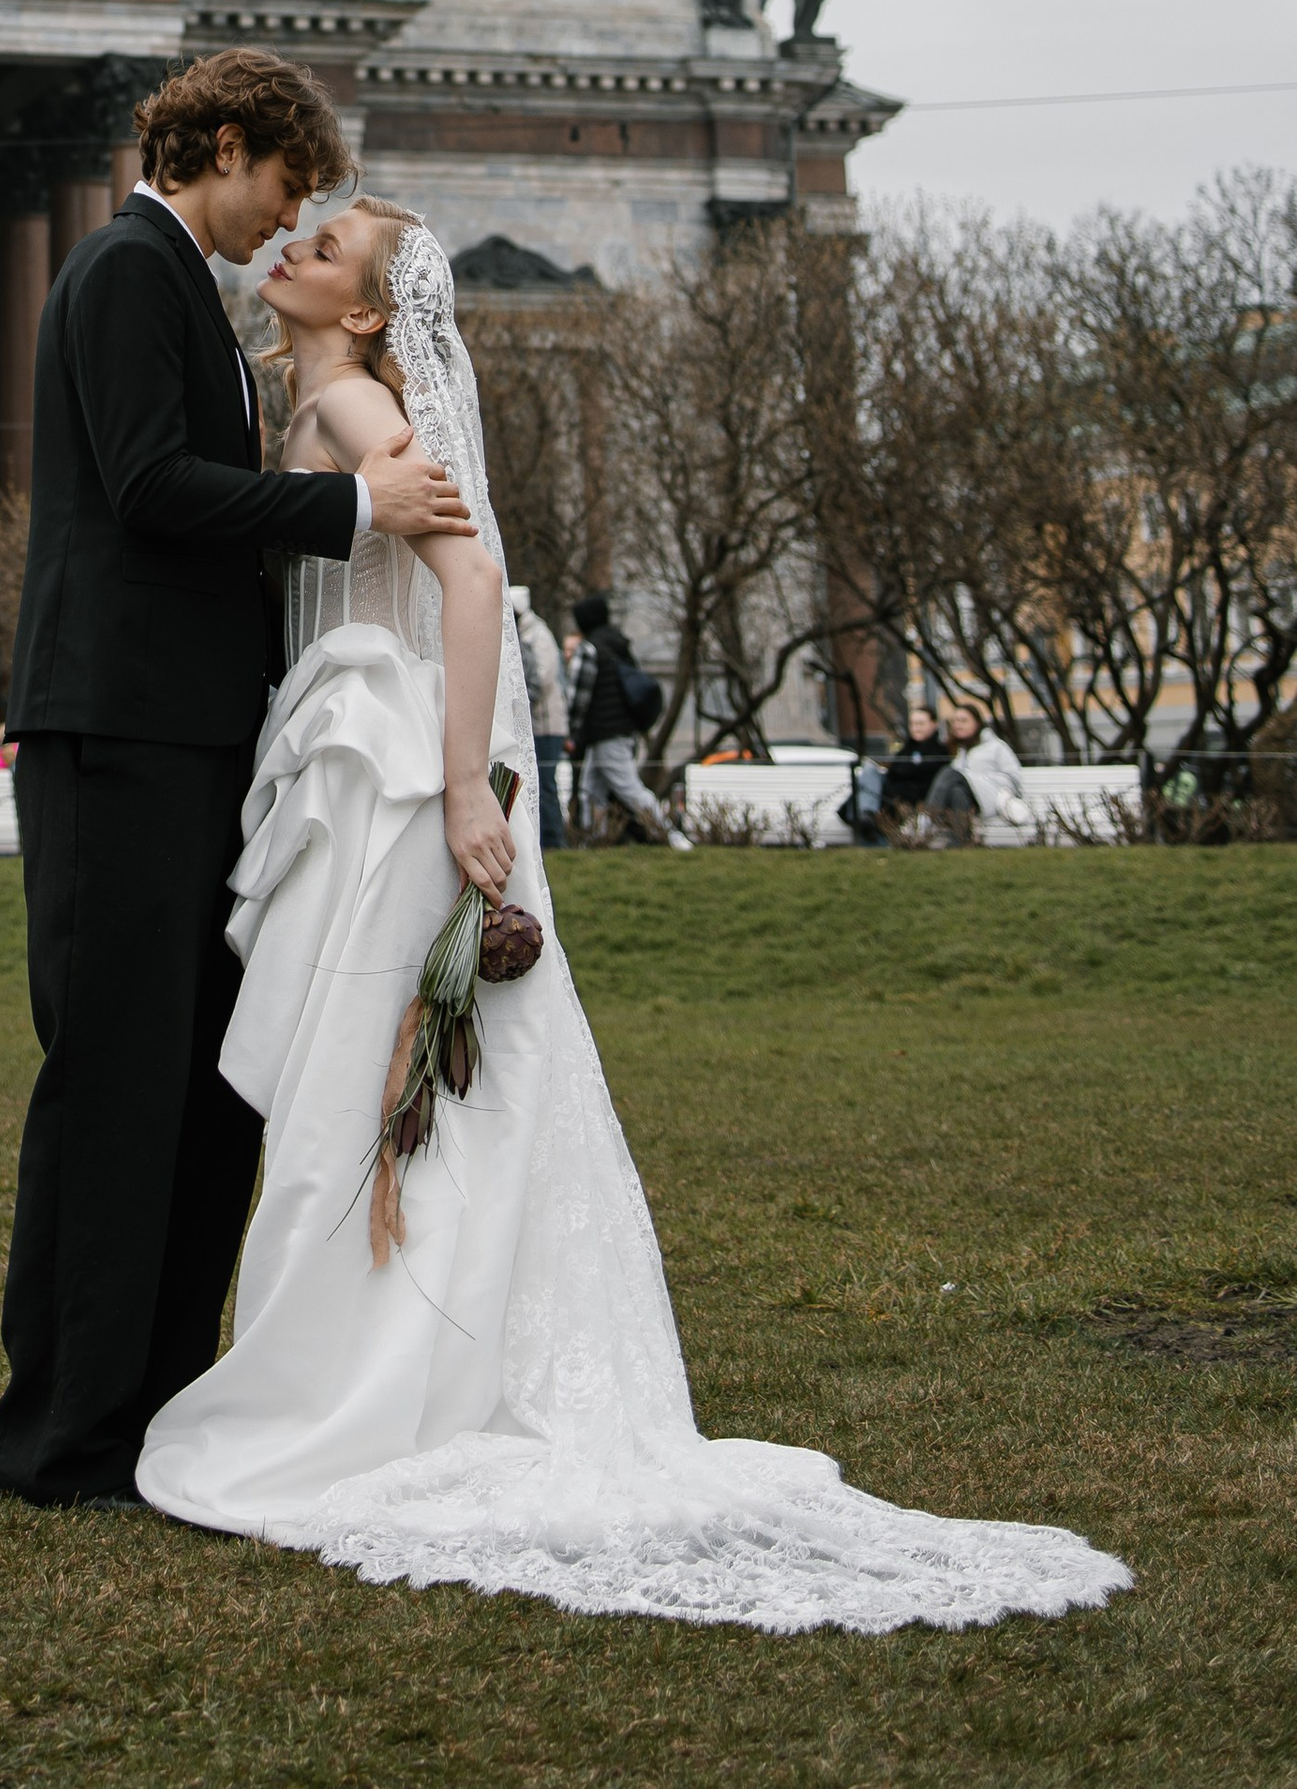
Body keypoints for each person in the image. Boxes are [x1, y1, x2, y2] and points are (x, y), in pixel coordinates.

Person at [134, 204, 1133, 1630]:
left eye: (329, 242)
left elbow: (471, 576)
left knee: (363, 1088)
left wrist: (471, 784)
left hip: (399, 780)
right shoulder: (324, 391)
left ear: (364, 314)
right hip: (374, 763)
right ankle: (425, 1363)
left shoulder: (353, 399)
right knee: (413, 1088)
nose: (293, 240)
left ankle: (357, 1392)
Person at [0, 48, 476, 1513]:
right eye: (281, 184)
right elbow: (144, 490)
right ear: (217, 142)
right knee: (115, 1084)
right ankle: (65, 1435)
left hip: (178, 736)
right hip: (119, 733)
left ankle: (143, 1407)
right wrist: (348, 504)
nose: (282, 223)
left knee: (187, 1091)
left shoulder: (170, 283)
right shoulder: (130, 270)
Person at [568, 590, 690, 849]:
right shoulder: (619, 645)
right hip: (619, 731)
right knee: (592, 789)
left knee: (628, 788)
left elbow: (579, 696)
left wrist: (572, 733)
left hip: (604, 733)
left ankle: (671, 836)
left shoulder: (589, 649)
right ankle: (593, 842)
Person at [507, 582, 568, 851]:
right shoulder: (525, 632)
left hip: (545, 725)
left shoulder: (537, 635)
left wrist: (519, 700)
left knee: (545, 784)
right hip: (535, 722)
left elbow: (542, 678)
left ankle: (555, 841)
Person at [926, 707, 1028, 840]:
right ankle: (961, 841)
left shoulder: (996, 746)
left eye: (963, 720)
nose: (957, 725)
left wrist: (981, 780)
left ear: (977, 723)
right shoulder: (961, 751)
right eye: (955, 721)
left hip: (993, 800)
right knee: (957, 791)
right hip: (972, 801)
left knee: (949, 773)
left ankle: (927, 819)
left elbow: (1014, 778)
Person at [885, 703, 948, 814]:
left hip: (921, 805)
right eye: (912, 724)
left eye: (920, 723)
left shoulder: (940, 751)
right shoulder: (906, 749)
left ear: (934, 724)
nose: (916, 728)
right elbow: (893, 772)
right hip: (894, 802)